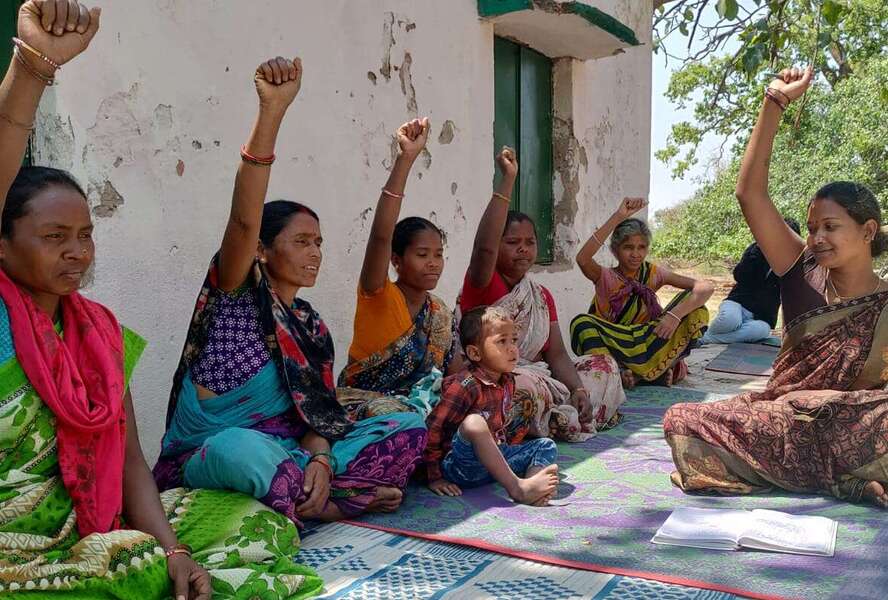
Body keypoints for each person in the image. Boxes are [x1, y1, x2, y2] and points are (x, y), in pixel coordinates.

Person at [0, 3, 320, 598]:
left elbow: (128, 465)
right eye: (53, 238)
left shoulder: (100, 333)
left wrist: (174, 550)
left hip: (95, 533)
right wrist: (33, 67)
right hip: (13, 548)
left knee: (256, 526)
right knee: (133, 569)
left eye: (85, 236)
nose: (76, 252)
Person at [153, 56, 426, 524]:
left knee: (406, 424)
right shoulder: (236, 293)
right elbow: (243, 217)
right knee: (237, 450)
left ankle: (312, 490)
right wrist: (272, 112)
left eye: (318, 242)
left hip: (288, 452)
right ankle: (336, 504)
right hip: (211, 453)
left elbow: (317, 414)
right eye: (301, 242)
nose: (315, 253)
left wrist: (320, 458)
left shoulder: (312, 327)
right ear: (261, 249)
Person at [664, 66, 888, 508]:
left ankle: (824, 475)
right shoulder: (799, 269)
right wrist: (775, 101)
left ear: (867, 231)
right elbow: (750, 194)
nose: (817, 238)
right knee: (683, 419)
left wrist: (838, 399)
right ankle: (842, 480)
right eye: (811, 228)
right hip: (790, 418)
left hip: (858, 421)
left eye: (830, 226)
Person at [458, 148, 626, 441]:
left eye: (530, 242)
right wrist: (508, 180)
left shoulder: (540, 295)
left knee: (603, 365)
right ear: (497, 246)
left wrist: (578, 389)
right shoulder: (483, 283)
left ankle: (569, 412)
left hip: (540, 376)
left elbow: (558, 353)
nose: (523, 249)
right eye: (512, 242)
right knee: (523, 387)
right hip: (499, 380)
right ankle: (554, 419)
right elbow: (482, 248)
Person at [337, 118, 455, 419]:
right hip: (365, 402)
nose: (433, 262)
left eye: (438, 254)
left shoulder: (438, 312)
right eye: (422, 254)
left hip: (421, 401)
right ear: (396, 259)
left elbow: (449, 372)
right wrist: (406, 159)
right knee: (396, 414)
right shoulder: (377, 293)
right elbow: (380, 235)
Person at [571, 197, 713, 388]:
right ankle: (625, 374)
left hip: (645, 345)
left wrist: (674, 315)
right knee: (581, 324)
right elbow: (583, 259)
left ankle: (645, 373)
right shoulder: (605, 277)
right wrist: (618, 217)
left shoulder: (654, 274)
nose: (636, 254)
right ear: (615, 251)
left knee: (696, 306)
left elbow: (705, 287)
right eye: (628, 247)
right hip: (614, 344)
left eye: (642, 247)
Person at [424, 306, 559, 506]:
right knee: (474, 423)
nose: (512, 348)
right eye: (501, 341)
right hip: (460, 467)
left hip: (490, 466)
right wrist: (434, 476)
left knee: (545, 444)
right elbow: (434, 428)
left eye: (513, 340)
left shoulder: (508, 381)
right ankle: (517, 488)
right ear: (475, 353)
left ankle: (532, 487)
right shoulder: (465, 385)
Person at [700, 218, 801, 345]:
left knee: (760, 331)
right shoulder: (756, 249)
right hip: (738, 303)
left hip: (762, 316)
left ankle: (706, 339)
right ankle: (711, 337)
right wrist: (758, 251)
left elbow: (790, 296)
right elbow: (740, 275)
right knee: (730, 320)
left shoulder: (793, 263)